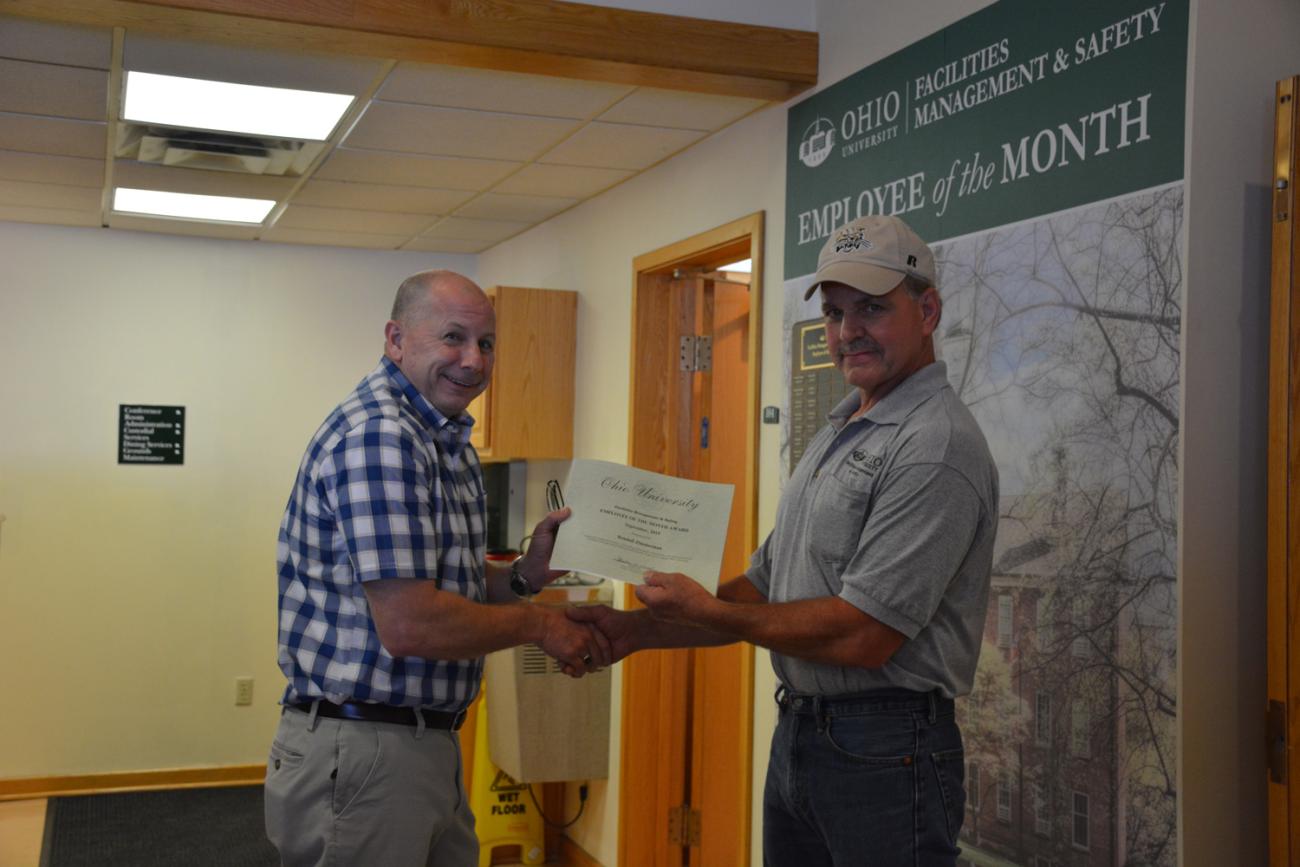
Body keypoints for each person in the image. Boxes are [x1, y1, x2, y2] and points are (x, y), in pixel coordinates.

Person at [569, 215, 999, 866]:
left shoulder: (934, 446)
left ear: (928, 309)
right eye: (834, 312)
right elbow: (764, 588)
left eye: (872, 309)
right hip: (803, 735)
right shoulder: (838, 430)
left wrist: (709, 610)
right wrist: (636, 631)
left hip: (886, 749)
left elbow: (866, 633)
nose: (847, 330)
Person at [265, 269, 608, 867]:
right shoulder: (381, 437)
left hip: (418, 744)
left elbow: (443, 580)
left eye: (487, 343)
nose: (473, 360)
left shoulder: (439, 438)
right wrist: (539, 627)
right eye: (453, 337)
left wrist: (524, 576)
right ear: (396, 339)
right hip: (371, 748)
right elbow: (412, 624)